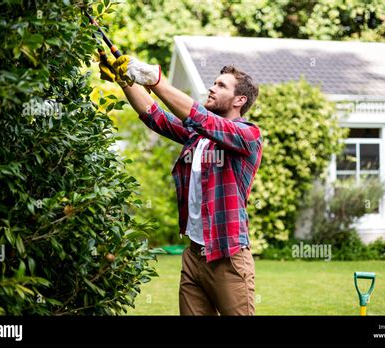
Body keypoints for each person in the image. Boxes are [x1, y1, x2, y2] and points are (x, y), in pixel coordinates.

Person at [99, 54, 263, 315]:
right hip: (194, 255)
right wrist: (125, 80)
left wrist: (156, 81)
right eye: (214, 82)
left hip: (227, 257)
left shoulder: (247, 135)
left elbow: (202, 118)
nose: (212, 87)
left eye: (221, 85)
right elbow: (156, 117)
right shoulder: (199, 138)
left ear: (239, 100)